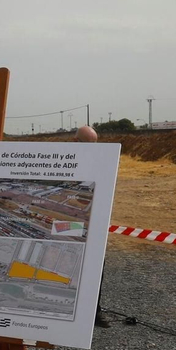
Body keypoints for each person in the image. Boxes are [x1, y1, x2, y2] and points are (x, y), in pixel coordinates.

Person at [75, 125, 111, 328]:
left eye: (94, 145)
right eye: (87, 144)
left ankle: (93, 312)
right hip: (69, 225)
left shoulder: (100, 162)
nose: (92, 148)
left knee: (96, 267)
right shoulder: (61, 160)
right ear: (75, 142)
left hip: (92, 226)